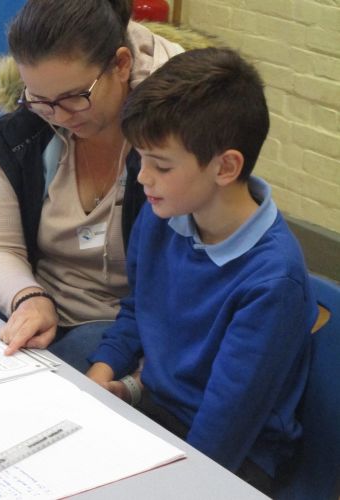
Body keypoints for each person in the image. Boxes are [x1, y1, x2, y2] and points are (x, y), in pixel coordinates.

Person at [87, 47, 318, 495]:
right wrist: (102, 373)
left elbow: (224, 429)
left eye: (161, 165)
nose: (143, 178)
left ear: (225, 167)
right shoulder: (163, 214)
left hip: (232, 457)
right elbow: (137, 311)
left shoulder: (272, 281)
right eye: (140, 158)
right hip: (161, 414)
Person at [0, 0, 184, 372]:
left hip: (121, 324)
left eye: (74, 98)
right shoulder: (27, 132)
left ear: (121, 65)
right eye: (39, 99)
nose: (59, 116)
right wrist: (27, 298)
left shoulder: (176, 139)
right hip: (35, 300)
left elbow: (179, 290)